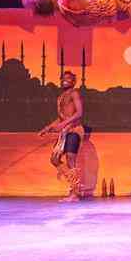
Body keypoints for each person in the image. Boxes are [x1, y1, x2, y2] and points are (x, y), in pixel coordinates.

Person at [39, 71, 85, 202]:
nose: (65, 80)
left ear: (73, 81)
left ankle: (75, 193)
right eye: (63, 78)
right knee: (54, 159)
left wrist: (63, 124)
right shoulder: (60, 97)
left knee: (70, 158)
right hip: (65, 132)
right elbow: (60, 119)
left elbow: (79, 113)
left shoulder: (74, 93)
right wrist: (47, 128)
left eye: (68, 78)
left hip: (74, 130)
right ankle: (75, 186)